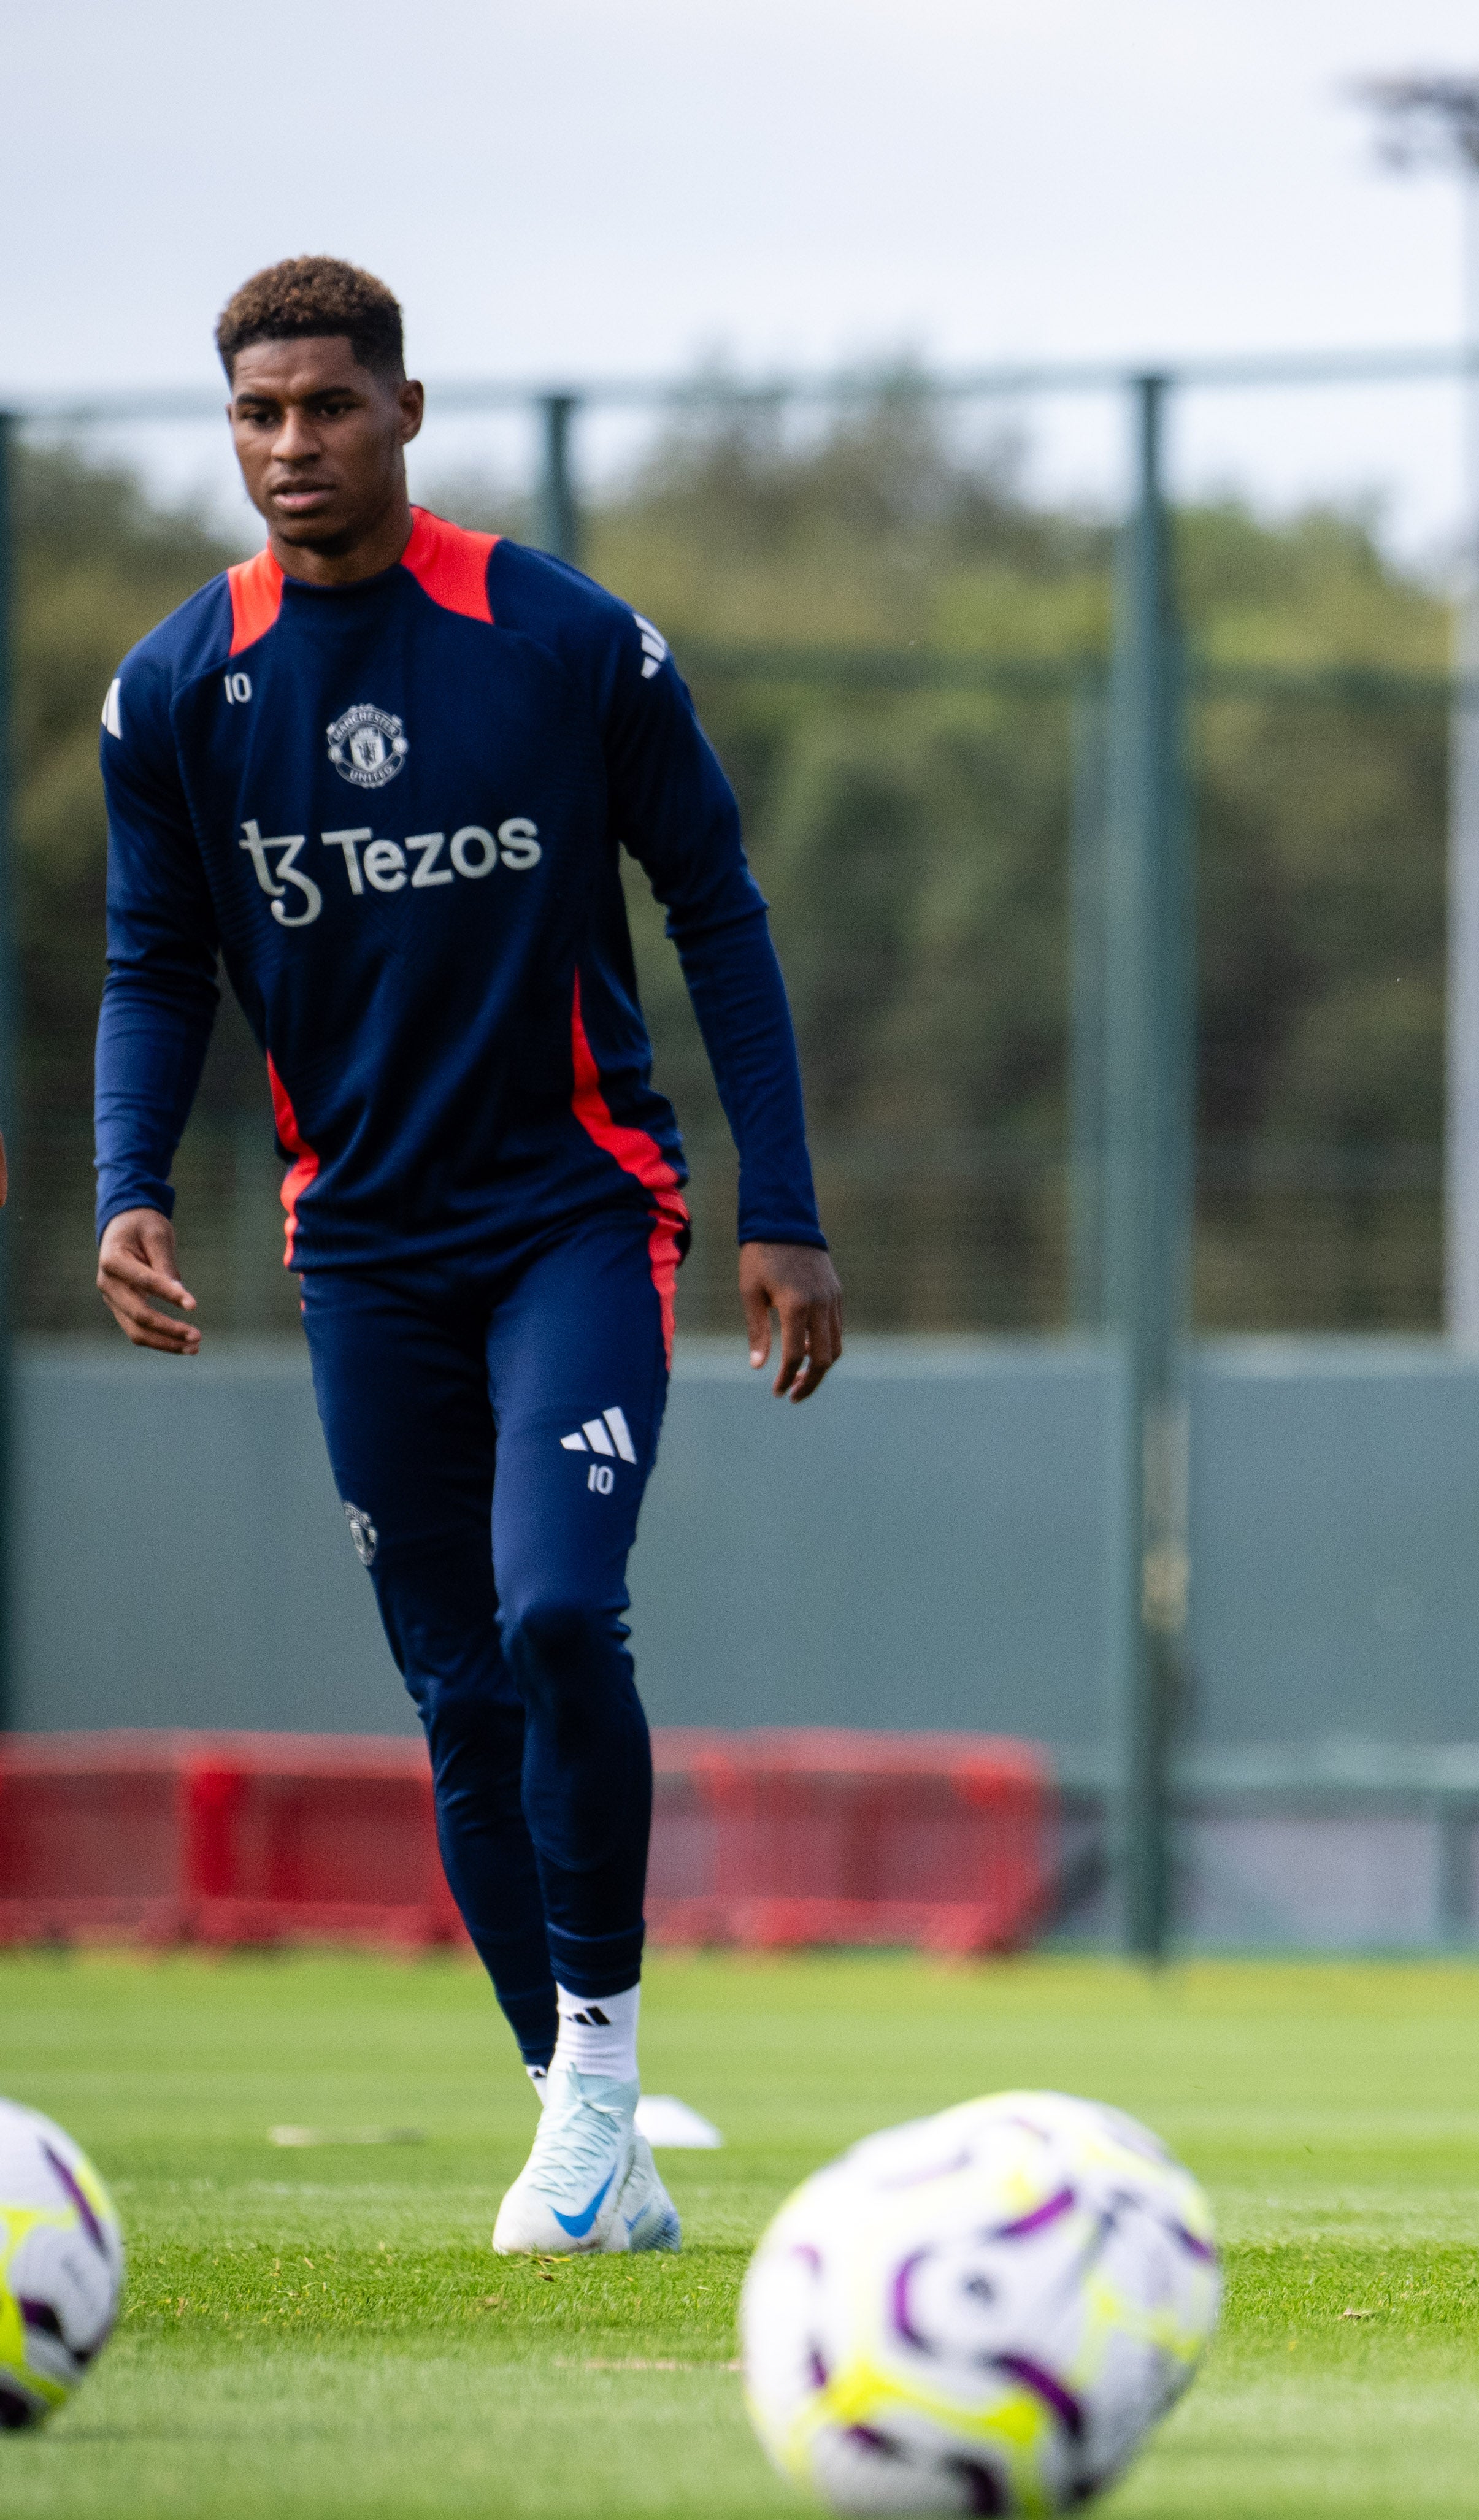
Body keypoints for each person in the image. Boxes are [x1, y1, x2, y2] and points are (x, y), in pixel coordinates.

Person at [95, 258, 843, 2257]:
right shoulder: (178, 688)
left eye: (326, 408)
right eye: (255, 415)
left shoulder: (556, 637)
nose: (288, 448)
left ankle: (595, 2074)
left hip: (575, 1216)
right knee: (453, 1693)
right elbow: (155, 960)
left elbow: (721, 909)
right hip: (362, 1251)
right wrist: (124, 1181)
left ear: (405, 413)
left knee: (551, 1620)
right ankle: (580, 2115)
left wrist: (782, 1205)